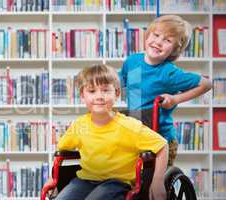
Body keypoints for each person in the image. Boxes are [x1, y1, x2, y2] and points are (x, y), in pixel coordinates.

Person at [49, 64, 168, 200]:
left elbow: (162, 146)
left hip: (117, 183)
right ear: (82, 96)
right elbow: (61, 151)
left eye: (105, 90)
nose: (99, 96)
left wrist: (158, 182)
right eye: (92, 91)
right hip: (84, 181)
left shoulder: (129, 126)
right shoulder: (79, 125)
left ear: (117, 94)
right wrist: (51, 178)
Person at [119, 15, 212, 166]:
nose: (158, 42)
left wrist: (175, 99)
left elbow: (206, 84)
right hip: (136, 134)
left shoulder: (169, 73)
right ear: (148, 34)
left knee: (153, 184)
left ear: (175, 50)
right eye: (156, 35)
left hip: (160, 140)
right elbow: (119, 81)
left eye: (167, 40)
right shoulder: (132, 61)